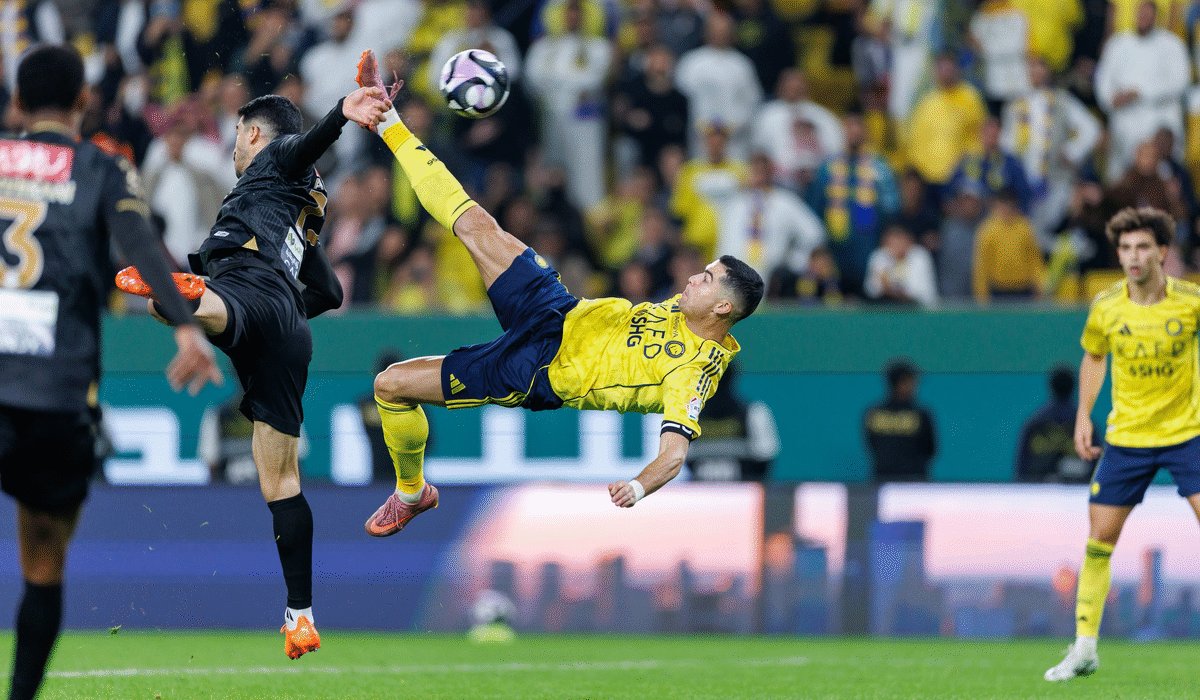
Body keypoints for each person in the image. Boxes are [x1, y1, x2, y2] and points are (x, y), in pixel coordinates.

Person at [353, 51, 764, 532]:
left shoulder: (694, 372)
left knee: (391, 384)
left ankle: (411, 493)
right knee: (474, 222)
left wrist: (637, 485)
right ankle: (388, 120)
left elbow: (673, 455)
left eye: (707, 278)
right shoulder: (688, 307)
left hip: (536, 369)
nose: (694, 276)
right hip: (558, 309)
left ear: (722, 306)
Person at [130, 70, 389, 658]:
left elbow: (300, 145)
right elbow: (328, 292)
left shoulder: (274, 161)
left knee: (185, 305)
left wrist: (342, 111)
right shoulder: (308, 206)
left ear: (253, 133)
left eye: (240, 136)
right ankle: (301, 616)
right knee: (281, 482)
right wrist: (282, 313)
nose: (236, 147)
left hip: (248, 291)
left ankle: (189, 298)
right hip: (289, 329)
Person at [0, 45, 223, 700]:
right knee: (43, 561)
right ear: (82, 103)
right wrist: (185, 324)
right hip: (56, 390)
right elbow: (138, 243)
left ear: (16, 104)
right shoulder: (102, 166)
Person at [1045, 206, 1200, 681]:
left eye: (1142, 247)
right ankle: (1085, 647)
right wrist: (1083, 416)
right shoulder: (1106, 305)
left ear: (1162, 252)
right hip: (1127, 439)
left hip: (1186, 434)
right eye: (1126, 248)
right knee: (1099, 542)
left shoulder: (1191, 302)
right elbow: (1094, 356)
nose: (1132, 257)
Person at [863, 360, 937, 481]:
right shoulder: (920, 415)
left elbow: (871, 445)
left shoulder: (873, 414)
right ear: (901, 383)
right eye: (911, 382)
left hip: (882, 480)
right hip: (914, 482)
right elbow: (931, 450)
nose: (915, 386)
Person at [1016, 366, 1092, 483]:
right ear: (1074, 387)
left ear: (1051, 387)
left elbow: (1021, 470)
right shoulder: (1085, 426)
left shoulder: (1034, 424)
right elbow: (1097, 468)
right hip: (1077, 495)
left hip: (1037, 496)